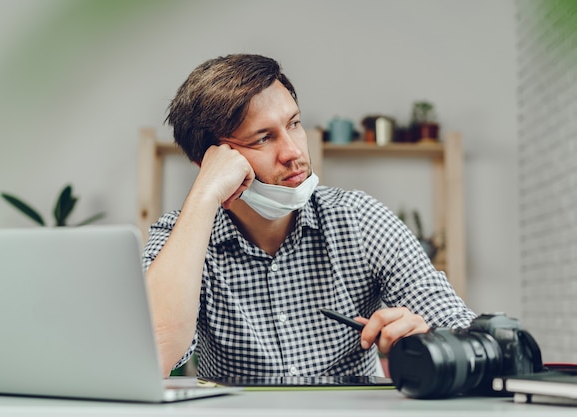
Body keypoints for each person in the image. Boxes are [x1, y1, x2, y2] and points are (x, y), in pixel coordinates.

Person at [143, 53, 476, 378]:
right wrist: (205, 194)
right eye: (263, 138)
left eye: (294, 124)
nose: (294, 152)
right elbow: (153, 355)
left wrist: (434, 339)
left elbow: (473, 338)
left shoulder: (358, 219)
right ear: (211, 161)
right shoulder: (179, 235)